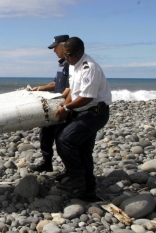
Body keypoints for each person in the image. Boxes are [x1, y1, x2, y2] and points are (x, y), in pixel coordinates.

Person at [54, 37, 112, 201]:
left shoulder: (89, 68)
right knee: (82, 150)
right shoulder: (73, 65)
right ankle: (88, 191)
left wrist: (66, 108)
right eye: (65, 55)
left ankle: (76, 178)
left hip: (94, 113)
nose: (66, 58)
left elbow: (87, 97)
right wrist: (66, 107)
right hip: (81, 111)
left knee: (65, 140)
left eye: (69, 55)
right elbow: (73, 90)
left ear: (79, 52)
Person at [30, 34, 70, 172]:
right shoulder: (61, 64)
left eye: (56, 48)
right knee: (45, 133)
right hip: (55, 104)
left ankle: (69, 169)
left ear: (64, 46)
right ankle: (47, 162)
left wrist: (63, 105)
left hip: (64, 106)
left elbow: (70, 89)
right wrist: (41, 88)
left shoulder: (71, 65)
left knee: (62, 139)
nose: (54, 51)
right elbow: (55, 83)